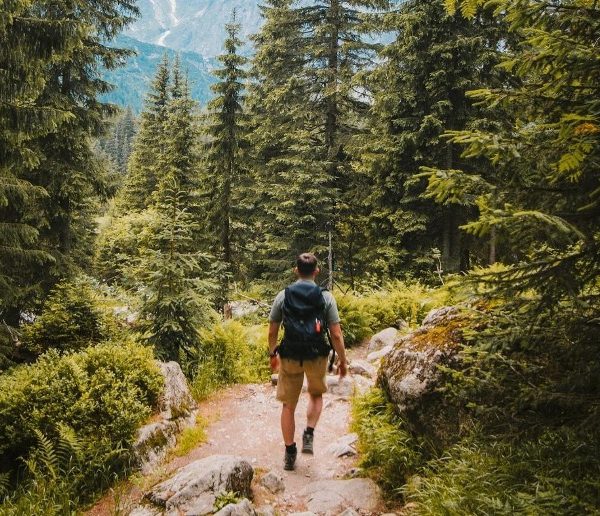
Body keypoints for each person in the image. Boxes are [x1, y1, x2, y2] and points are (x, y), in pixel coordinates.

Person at [268, 252, 347, 471]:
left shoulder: (283, 296)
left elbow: (272, 330)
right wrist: (343, 362)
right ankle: (309, 432)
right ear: (316, 271)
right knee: (315, 394)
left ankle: (290, 450)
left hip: (291, 355)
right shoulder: (326, 297)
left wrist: (273, 354)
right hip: (316, 355)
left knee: (288, 405)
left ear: (296, 270)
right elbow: (337, 335)